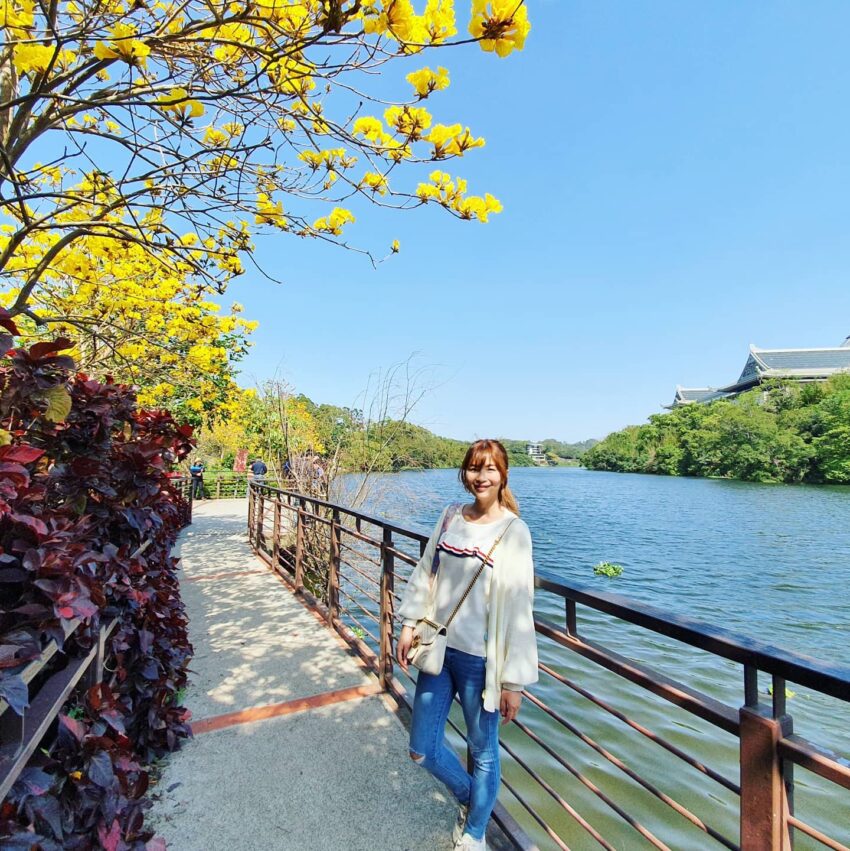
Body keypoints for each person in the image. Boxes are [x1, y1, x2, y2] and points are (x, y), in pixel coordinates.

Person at [396, 439, 538, 851]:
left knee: (485, 752)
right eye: (475, 468)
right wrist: (408, 623)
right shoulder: (449, 517)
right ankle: (468, 797)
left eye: (490, 469)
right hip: (438, 651)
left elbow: (520, 609)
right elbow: (426, 573)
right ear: (465, 473)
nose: (482, 476)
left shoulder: (514, 531)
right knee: (421, 749)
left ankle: (475, 831)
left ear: (503, 475)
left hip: (482, 661)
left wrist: (514, 683)